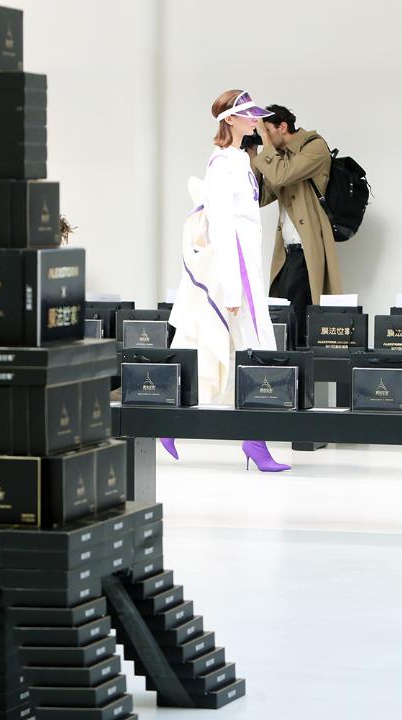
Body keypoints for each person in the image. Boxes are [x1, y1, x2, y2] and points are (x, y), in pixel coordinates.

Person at [166, 89, 290, 472]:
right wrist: (234, 287)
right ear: (230, 119)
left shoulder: (239, 159)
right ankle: (250, 441)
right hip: (232, 275)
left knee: (235, 351)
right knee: (237, 349)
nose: (255, 120)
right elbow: (221, 226)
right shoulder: (221, 163)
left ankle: (251, 440)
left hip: (246, 270)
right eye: (248, 114)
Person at [249, 104, 343, 347]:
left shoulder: (314, 147)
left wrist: (265, 145)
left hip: (307, 249)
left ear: (283, 127)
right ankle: (290, 364)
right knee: (285, 318)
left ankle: (300, 366)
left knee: (299, 320)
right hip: (287, 253)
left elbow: (283, 175)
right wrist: (252, 155)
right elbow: (258, 197)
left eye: (266, 130)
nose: (264, 136)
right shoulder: (280, 158)